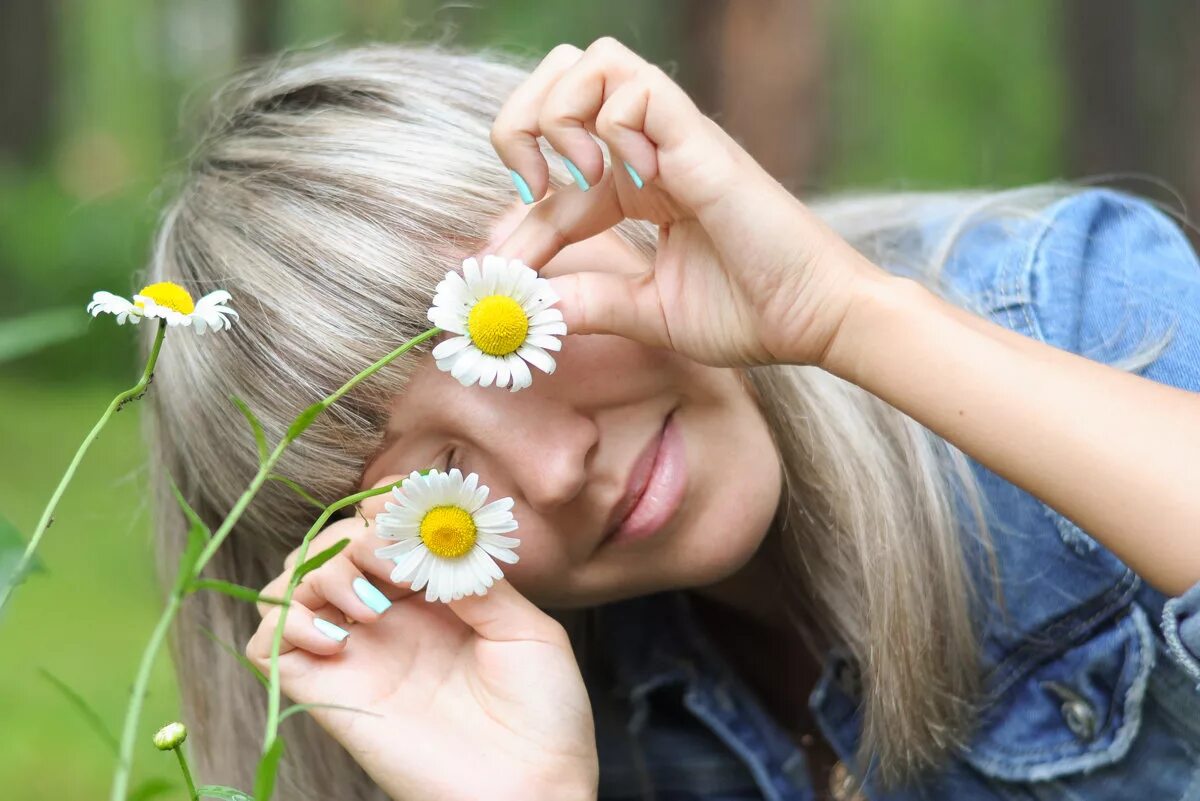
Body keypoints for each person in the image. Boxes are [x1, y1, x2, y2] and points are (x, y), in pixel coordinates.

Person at [143, 39, 1200, 801]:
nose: (556, 469)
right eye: (436, 480)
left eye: (521, 330)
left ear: (607, 203)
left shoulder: (1076, 320)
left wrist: (845, 319)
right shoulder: (512, 713)